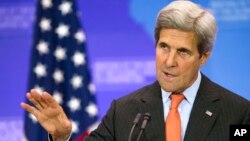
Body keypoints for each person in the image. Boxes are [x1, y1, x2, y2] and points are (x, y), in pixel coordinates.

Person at [21, 0, 250, 141]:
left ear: (204, 57)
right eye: (163, 47)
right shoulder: (124, 111)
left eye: (183, 52)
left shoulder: (238, 113)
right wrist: (62, 137)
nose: (169, 61)